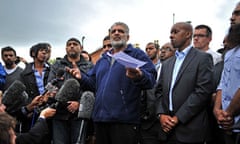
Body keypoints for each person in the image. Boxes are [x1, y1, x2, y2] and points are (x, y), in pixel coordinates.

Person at [67, 22, 156, 144]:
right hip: (100, 120)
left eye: (121, 31)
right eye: (113, 31)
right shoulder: (103, 60)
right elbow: (93, 85)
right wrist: (81, 77)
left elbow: (151, 79)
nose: (116, 33)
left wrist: (140, 76)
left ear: (128, 37)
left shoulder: (136, 54)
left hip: (124, 121)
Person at [155, 22, 213, 144]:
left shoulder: (203, 58)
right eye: (170, 32)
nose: (171, 35)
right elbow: (159, 91)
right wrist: (161, 114)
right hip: (166, 130)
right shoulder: (167, 63)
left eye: (175, 32)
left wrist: (178, 117)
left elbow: (202, 92)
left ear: (188, 34)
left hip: (190, 130)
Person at [47, 37, 94, 144]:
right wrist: (58, 97)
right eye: (69, 44)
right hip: (59, 113)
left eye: (75, 44)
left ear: (81, 48)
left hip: (79, 114)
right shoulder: (57, 65)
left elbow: (93, 87)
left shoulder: (90, 66)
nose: (72, 46)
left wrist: (79, 103)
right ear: (66, 48)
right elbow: (49, 85)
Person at [213, 23, 240, 144]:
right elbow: (223, 83)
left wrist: (228, 113)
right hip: (226, 123)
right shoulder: (229, 54)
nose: (232, 18)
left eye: (237, 13)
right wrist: (217, 110)